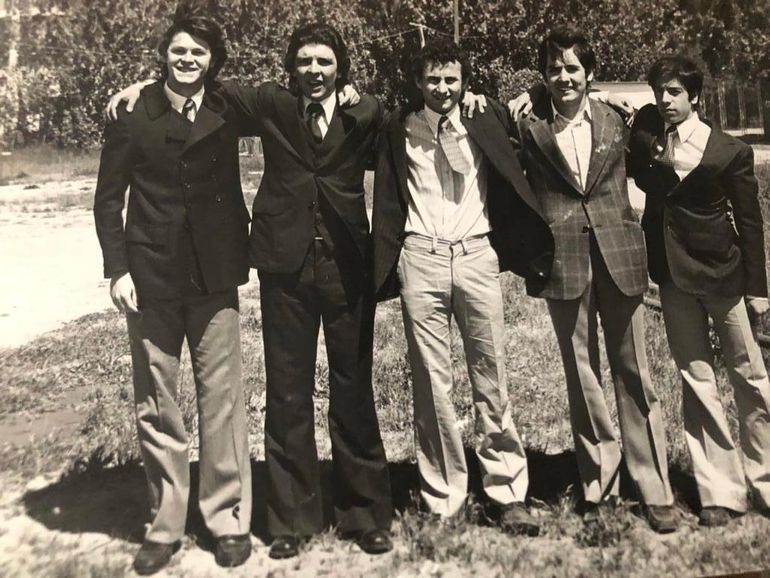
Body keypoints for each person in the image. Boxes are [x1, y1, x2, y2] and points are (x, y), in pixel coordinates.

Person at [371, 39, 554, 533]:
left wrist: (498, 98)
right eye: (433, 79)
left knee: (490, 375)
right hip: (422, 257)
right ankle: (443, 494)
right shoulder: (400, 127)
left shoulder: (484, 115)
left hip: (476, 255)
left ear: (464, 81)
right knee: (432, 384)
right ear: (418, 83)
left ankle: (506, 490)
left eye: (451, 79)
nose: (443, 88)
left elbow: (541, 98)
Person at [93, 11, 253, 574]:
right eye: (179, 51)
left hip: (215, 277)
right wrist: (118, 269)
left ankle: (226, 517)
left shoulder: (228, 107)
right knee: (157, 404)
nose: (188, 61)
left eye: (200, 53)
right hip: (151, 278)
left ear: (214, 61)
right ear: (164, 54)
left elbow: (289, 97)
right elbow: (108, 198)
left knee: (222, 401)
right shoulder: (134, 114)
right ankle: (164, 524)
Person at [510, 26, 678, 532]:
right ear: (543, 76)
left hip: (620, 256)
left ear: (590, 74)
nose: (564, 77)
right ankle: (598, 484)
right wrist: (531, 97)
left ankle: (653, 487)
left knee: (635, 373)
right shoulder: (529, 125)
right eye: (554, 69)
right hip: (562, 263)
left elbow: (659, 121)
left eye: (573, 69)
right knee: (582, 375)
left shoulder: (619, 119)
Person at [627, 55, 770, 527]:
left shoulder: (728, 150)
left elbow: (750, 223)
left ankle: (766, 479)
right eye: (660, 93)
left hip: (724, 276)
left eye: (675, 92)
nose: (666, 101)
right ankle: (720, 491)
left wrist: (758, 289)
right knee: (696, 376)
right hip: (672, 276)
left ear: (695, 97)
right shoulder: (647, 140)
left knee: (749, 374)